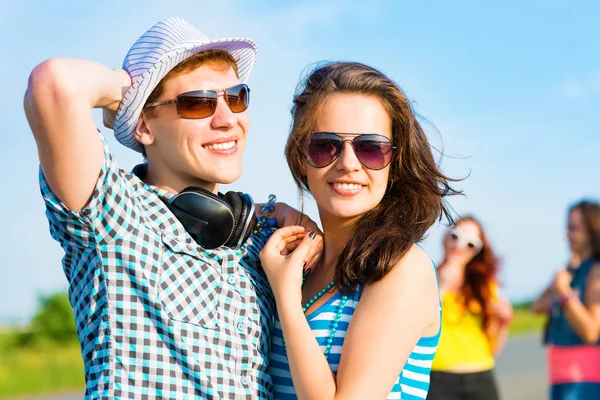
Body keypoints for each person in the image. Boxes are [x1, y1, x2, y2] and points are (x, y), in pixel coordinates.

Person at [24, 17, 321, 399]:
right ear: (145, 126)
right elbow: (54, 84)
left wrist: (270, 212)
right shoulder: (115, 214)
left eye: (236, 97)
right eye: (198, 103)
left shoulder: (255, 236)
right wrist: (127, 95)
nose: (227, 119)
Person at [261, 61, 459, 399]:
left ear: (394, 163)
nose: (348, 163)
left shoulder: (402, 268)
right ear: (300, 158)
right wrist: (266, 211)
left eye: (371, 148)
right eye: (325, 145)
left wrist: (287, 301)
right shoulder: (294, 259)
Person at [427, 216, 513, 400]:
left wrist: (504, 321)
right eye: (456, 236)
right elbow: (414, 326)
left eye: (470, 243)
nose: (460, 246)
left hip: (481, 375)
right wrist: (442, 289)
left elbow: (493, 347)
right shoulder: (425, 276)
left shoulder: (483, 286)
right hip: (437, 377)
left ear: (477, 251)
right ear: (445, 237)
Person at [533, 200, 600, 400]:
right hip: (559, 376)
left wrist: (563, 291)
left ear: (592, 231)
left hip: (584, 378)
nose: (567, 234)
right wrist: (567, 271)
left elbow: (591, 332)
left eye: (573, 228)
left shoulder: (596, 271)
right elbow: (537, 306)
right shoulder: (572, 269)